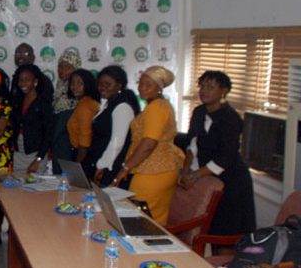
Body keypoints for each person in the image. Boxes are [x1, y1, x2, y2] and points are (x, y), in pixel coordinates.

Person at [179, 71, 256, 235]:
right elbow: (192, 146)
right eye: (202, 86)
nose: (204, 91)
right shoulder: (199, 112)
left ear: (224, 91)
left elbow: (224, 158)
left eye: (210, 87)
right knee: (208, 229)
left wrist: (194, 177)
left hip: (231, 181)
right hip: (207, 177)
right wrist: (185, 173)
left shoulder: (231, 118)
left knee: (226, 231)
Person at [113, 66, 184, 225]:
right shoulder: (159, 106)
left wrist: (125, 168)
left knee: (142, 220)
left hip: (154, 171)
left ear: (159, 88)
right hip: (156, 168)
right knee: (152, 218)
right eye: (141, 83)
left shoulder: (156, 108)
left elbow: (148, 144)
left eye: (148, 84)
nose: (142, 88)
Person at [86, 65, 141, 186]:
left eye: (108, 84)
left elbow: (117, 142)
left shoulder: (122, 107)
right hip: (101, 163)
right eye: (100, 83)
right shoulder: (107, 104)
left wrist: (102, 165)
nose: (102, 87)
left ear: (119, 85)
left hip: (111, 167)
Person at [11, 64, 54, 173]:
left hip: (36, 156)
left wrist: (38, 159)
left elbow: (49, 134)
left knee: (33, 187)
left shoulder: (44, 104)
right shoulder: (17, 103)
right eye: (20, 80)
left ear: (35, 82)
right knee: (17, 187)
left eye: (27, 80)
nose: (23, 83)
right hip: (19, 154)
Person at [51, 50, 81, 174]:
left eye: (68, 67)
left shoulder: (76, 90)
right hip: (57, 141)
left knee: (66, 178)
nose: (63, 70)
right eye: (60, 66)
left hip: (67, 141)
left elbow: (65, 120)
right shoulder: (60, 86)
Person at [66, 69, 100, 165]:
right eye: (72, 83)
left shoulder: (85, 106)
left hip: (83, 155)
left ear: (88, 84)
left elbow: (85, 139)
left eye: (80, 83)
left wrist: (78, 165)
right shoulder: (88, 102)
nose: (75, 87)